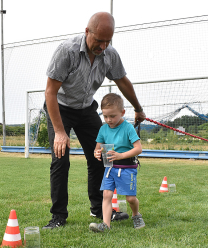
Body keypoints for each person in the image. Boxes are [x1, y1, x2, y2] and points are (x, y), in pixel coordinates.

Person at [43, 12, 146, 229]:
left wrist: (138, 108)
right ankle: (58, 216)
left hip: (86, 108)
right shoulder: (67, 51)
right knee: (60, 159)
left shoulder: (110, 54)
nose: (103, 46)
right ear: (87, 31)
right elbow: (50, 92)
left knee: (102, 156)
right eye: (99, 40)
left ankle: (99, 209)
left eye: (108, 41)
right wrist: (61, 133)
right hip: (60, 108)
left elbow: (123, 82)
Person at [90, 93, 144, 232]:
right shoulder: (103, 129)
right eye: (105, 116)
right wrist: (96, 153)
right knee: (107, 195)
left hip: (127, 168)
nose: (109, 120)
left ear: (122, 112)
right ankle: (105, 225)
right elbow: (98, 148)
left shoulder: (128, 128)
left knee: (131, 199)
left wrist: (120, 155)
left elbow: (138, 149)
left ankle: (136, 214)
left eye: (112, 116)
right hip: (109, 168)